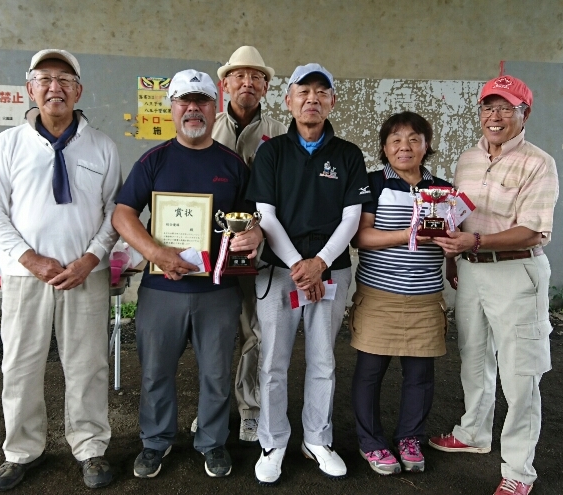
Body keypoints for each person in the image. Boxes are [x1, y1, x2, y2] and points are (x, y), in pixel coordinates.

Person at [111, 69, 263, 479]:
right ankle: (155, 441)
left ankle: (212, 443)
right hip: (162, 287)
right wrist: (155, 251)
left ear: (215, 107)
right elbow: (123, 213)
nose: (193, 109)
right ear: (172, 108)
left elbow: (251, 218)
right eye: (184, 101)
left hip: (218, 288)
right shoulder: (153, 161)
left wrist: (254, 233)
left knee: (215, 372)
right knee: (156, 370)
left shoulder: (232, 165)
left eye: (202, 101)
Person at [0, 49, 122, 491]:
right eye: (44, 78)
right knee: (20, 365)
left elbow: (115, 212)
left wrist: (91, 258)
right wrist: (29, 257)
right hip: (26, 277)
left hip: (86, 275)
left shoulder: (102, 146)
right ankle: (21, 450)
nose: (54, 86)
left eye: (64, 79)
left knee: (88, 365)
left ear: (79, 90)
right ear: (29, 88)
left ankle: (90, 446)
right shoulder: (7, 144)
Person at [429, 75, 559, 495]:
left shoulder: (539, 162)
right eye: (488, 107)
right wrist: (455, 254)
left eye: (506, 108)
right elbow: (460, 216)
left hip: (516, 273)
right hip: (471, 269)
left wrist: (477, 241)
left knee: (520, 375)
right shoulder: (467, 159)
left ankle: (519, 470)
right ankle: (473, 433)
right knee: (474, 358)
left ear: (525, 114)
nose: (495, 116)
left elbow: (534, 231)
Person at [246, 63, 372, 484]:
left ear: (332, 101)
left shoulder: (349, 155)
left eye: (321, 92)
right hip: (280, 272)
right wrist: (301, 265)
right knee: (273, 362)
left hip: (330, 272)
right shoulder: (272, 152)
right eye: (304, 92)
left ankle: (317, 438)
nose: (312, 99)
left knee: (323, 360)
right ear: (289, 100)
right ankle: (273, 440)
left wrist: (319, 263)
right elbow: (264, 214)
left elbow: (352, 218)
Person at [187, 45, 286, 445]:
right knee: (207, 331)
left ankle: (250, 408)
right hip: (206, 249)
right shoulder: (205, 126)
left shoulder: (280, 131)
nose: (247, 82)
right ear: (224, 84)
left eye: (256, 76)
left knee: (253, 331)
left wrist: (263, 235)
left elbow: (287, 193)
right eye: (239, 76)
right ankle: (209, 409)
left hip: (256, 251)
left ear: (265, 86)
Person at [350, 112, 450, 476]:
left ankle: (411, 437)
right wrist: (410, 234)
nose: (404, 146)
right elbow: (360, 238)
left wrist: (452, 251)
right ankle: (371, 442)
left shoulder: (441, 189)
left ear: (426, 145)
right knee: (370, 371)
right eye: (395, 140)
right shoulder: (371, 184)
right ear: (384, 147)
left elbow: (449, 237)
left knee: (420, 373)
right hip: (379, 295)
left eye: (413, 139)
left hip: (425, 296)